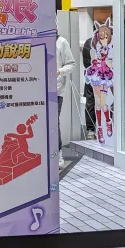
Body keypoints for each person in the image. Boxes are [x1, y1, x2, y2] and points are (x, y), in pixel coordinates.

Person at [56, 33, 76, 166]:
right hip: (37, 90)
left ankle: (58, 155)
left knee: (53, 123)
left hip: (55, 90)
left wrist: (59, 71)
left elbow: (71, 64)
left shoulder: (61, 42)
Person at [81, 37, 96, 140]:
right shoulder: (103, 43)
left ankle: (91, 130)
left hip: (89, 75)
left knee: (90, 102)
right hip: (102, 77)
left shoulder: (88, 42)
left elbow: (86, 63)